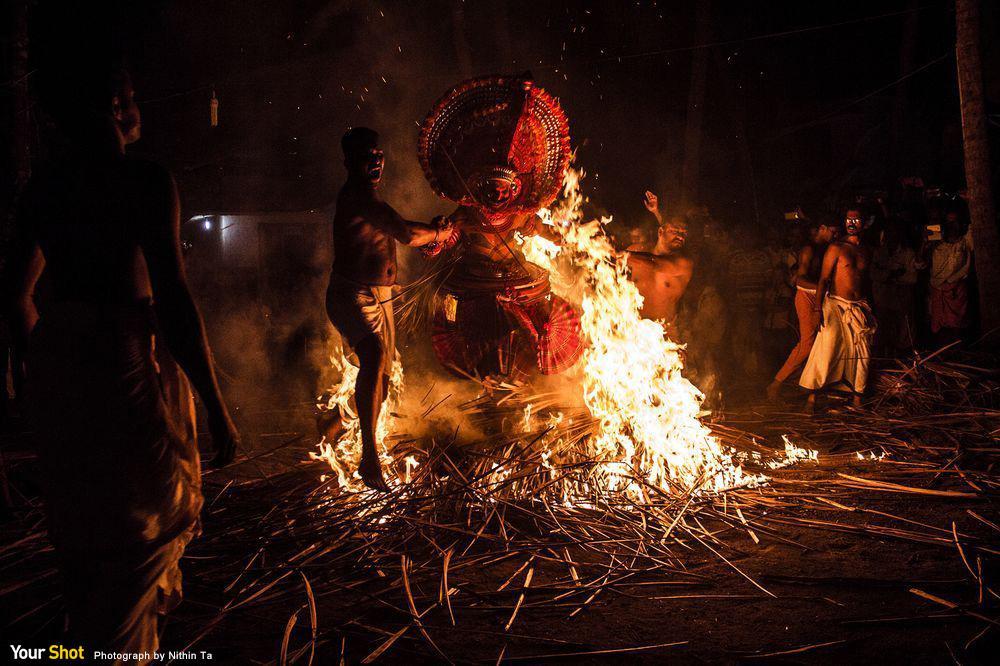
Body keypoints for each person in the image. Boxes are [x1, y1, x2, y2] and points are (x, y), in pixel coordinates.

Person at [6, 61, 239, 660]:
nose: (137, 108)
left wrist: (43, 361)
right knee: (145, 522)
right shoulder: (143, 181)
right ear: (112, 107)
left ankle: (97, 646)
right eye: (130, 97)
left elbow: (15, 296)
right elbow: (175, 300)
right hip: (117, 363)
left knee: (88, 527)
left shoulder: (45, 187)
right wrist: (215, 406)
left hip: (63, 368)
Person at [326, 127, 453, 491]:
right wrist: (439, 234)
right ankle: (368, 456)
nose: (376, 161)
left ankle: (335, 429)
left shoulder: (371, 198)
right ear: (349, 162)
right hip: (355, 295)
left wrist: (434, 230)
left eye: (379, 155)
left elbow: (402, 227)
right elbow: (407, 234)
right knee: (373, 356)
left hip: (381, 297)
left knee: (382, 374)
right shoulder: (358, 196)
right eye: (368, 156)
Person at [799, 209, 877, 410]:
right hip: (835, 304)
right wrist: (817, 310)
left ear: (865, 223)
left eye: (856, 219)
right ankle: (812, 397)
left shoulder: (866, 250)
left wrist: (872, 308)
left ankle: (857, 397)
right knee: (827, 346)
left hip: (859, 306)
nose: (852, 222)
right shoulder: (836, 248)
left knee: (862, 352)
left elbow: (866, 281)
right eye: (848, 219)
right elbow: (824, 279)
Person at [767, 219, 839, 399]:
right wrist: (823, 289)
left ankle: (806, 385)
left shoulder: (827, 248)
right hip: (806, 296)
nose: (835, 235)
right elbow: (799, 280)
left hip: (821, 297)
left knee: (820, 344)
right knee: (807, 344)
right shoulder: (809, 250)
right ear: (822, 228)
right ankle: (776, 383)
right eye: (832, 231)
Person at [626, 201, 695, 338]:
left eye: (684, 234)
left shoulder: (683, 264)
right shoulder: (636, 251)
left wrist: (620, 254)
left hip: (663, 336)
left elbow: (655, 263)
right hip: (632, 330)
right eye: (675, 232)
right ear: (660, 232)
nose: (680, 237)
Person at [925, 207, 973, 345]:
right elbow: (920, 262)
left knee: (957, 326)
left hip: (957, 291)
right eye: (949, 222)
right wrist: (926, 242)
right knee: (939, 328)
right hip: (937, 290)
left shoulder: (965, 242)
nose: (952, 225)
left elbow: (973, 227)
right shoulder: (936, 241)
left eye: (955, 221)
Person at [872, 222, 919, 356]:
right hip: (883, 300)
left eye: (894, 233)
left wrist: (890, 276)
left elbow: (912, 278)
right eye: (889, 233)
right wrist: (892, 274)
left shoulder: (908, 253)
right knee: (883, 331)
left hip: (901, 300)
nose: (891, 236)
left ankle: (903, 359)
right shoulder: (880, 252)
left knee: (904, 333)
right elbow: (873, 274)